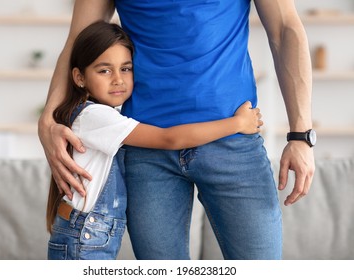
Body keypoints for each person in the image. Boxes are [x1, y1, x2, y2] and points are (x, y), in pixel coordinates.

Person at [38, 0, 315, 260]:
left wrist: (301, 135)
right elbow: (79, 40)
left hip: (234, 145)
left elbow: (285, 27)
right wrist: (48, 122)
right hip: (148, 152)